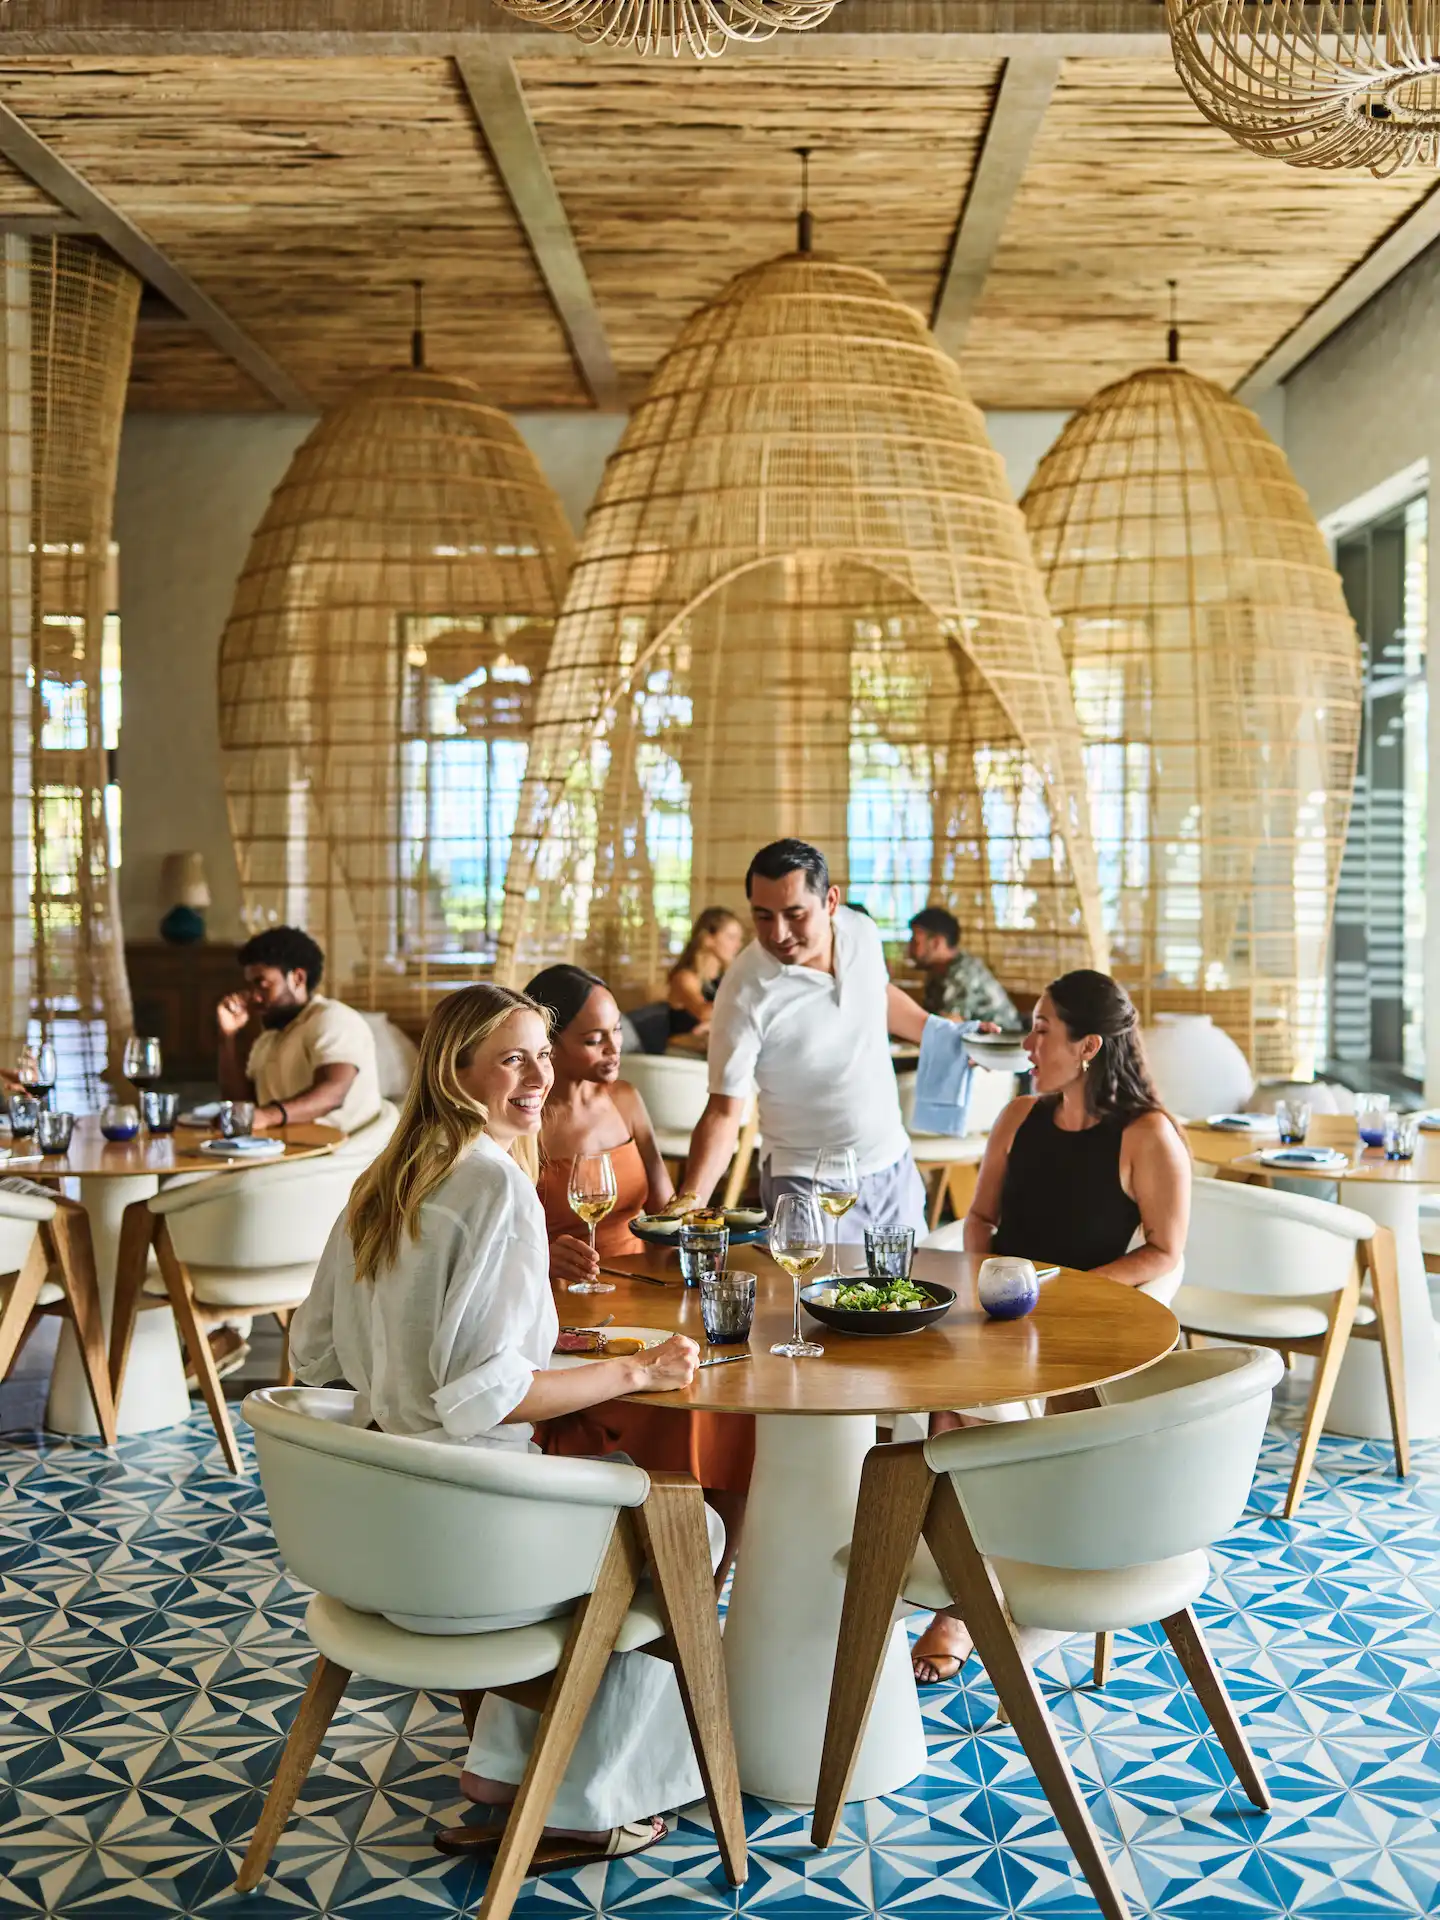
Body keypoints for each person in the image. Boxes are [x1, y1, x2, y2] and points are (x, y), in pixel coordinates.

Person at [288, 983, 703, 1866]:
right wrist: (638, 1368)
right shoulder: (495, 1187)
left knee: (618, 1507)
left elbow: (316, 1352)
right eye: (513, 1057)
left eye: (543, 1056)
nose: (539, 1077)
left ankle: (502, 1773)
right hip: (472, 1548)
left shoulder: (385, 1178)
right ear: (456, 1070)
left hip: (373, 1533)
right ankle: (593, 1802)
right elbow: (486, 1399)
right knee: (684, 1523)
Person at [908, 968, 1191, 1684]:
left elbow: (1165, 1249)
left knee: (960, 1421)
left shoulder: (1147, 1135)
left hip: (1084, 1333)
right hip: (1000, 1318)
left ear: (1089, 1045)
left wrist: (1063, 1298)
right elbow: (980, 1218)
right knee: (945, 1407)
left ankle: (969, 1606)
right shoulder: (1019, 1117)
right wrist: (983, 1284)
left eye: (1041, 1029)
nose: (1026, 1041)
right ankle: (984, 1589)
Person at [526, 963, 754, 1553]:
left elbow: (662, 1211)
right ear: (548, 1043)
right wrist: (547, 1254)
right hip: (560, 1301)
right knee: (667, 1409)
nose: (612, 1049)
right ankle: (637, 1558)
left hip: (645, 1289)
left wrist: (693, 1213)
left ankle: (700, 1579)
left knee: (723, 1405)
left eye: (616, 1033)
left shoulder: (625, 1099)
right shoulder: (525, 1122)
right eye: (593, 1038)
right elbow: (500, 1237)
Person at [671, 840, 929, 1237]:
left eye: (794, 914)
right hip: (806, 1184)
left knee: (909, 1296)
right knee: (815, 1299)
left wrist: (945, 1036)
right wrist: (690, 1201)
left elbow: (876, 996)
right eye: (762, 916)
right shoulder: (743, 990)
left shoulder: (861, 931)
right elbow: (724, 1111)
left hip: (892, 1164)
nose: (779, 933)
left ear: (830, 901)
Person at [216, 925, 381, 1135]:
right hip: (286, 1151)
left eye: (263, 984)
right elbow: (242, 1107)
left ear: (298, 978)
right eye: (250, 986)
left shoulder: (333, 1018)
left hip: (341, 1154)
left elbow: (333, 1092)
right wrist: (227, 1037)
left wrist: (267, 1116)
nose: (254, 996)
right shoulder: (268, 1040)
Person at [907, 905, 1019, 1028]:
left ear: (936, 943)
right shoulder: (937, 973)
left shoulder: (963, 972)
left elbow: (946, 1025)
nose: (909, 948)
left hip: (1000, 1043)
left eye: (915, 941)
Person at [666, 908, 744, 1038]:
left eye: (739, 939)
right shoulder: (685, 978)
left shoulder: (725, 977)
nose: (738, 945)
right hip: (683, 1052)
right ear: (708, 939)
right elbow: (703, 1012)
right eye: (731, 938)